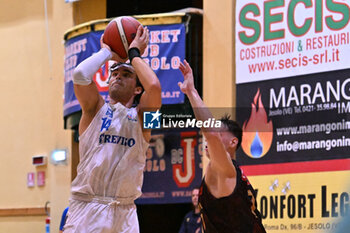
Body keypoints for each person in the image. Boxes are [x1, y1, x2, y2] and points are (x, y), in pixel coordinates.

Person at [64, 25, 161, 233]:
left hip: (126, 212)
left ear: (137, 88)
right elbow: (80, 74)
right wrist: (107, 53)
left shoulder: (146, 120)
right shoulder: (93, 110)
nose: (118, 76)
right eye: (115, 73)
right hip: (87, 207)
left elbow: (154, 87)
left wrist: (134, 53)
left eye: (126, 74)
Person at [178, 60, 266, 233]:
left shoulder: (225, 169)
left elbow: (210, 134)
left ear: (233, 142)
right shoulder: (229, 173)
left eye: (220, 134)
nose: (213, 139)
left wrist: (191, 91)